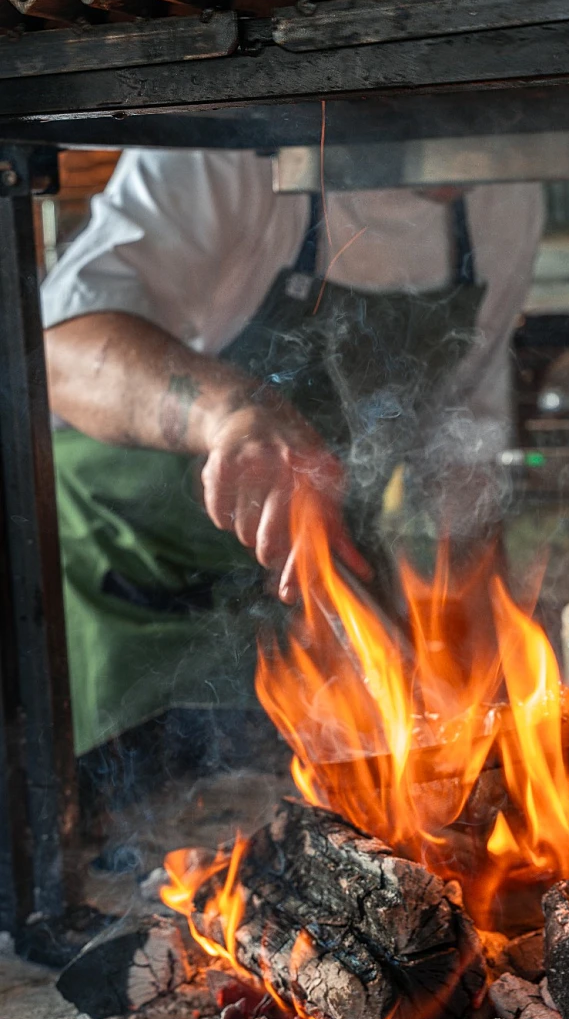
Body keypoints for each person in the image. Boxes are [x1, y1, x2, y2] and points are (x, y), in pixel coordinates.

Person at [42, 148, 543, 762]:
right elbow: (61, 351)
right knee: (153, 834)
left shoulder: (505, 195)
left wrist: (483, 676)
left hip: (321, 594)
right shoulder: (222, 144)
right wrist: (232, 413)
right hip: (138, 580)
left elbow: (463, 461)